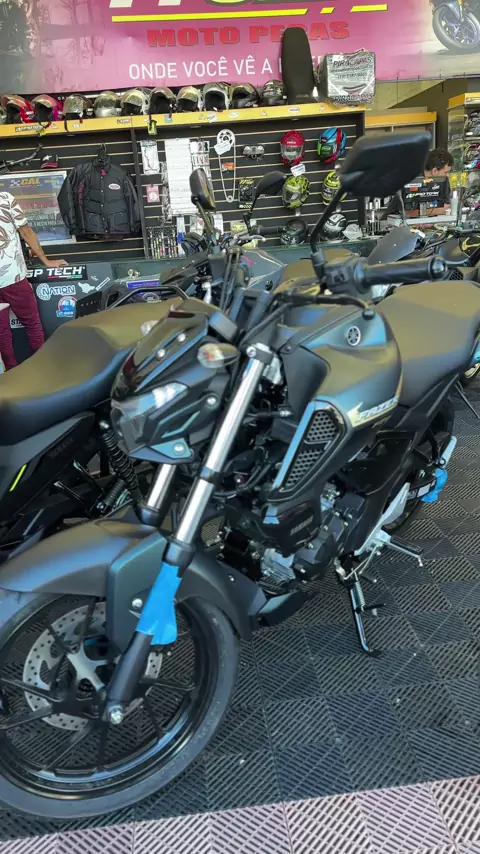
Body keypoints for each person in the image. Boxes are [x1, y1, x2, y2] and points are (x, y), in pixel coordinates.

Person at [0, 191, 66, 370]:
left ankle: (11, 374)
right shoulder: (5, 198)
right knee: (32, 324)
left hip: (10, 276)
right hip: (12, 276)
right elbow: (26, 232)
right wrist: (46, 261)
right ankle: (42, 370)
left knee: (1, 332)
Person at [383, 147, 454, 219]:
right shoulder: (411, 179)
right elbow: (408, 212)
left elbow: (446, 207)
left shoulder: (444, 182)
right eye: (446, 172)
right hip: (391, 222)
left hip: (426, 223)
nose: (448, 175)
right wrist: (437, 211)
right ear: (434, 171)